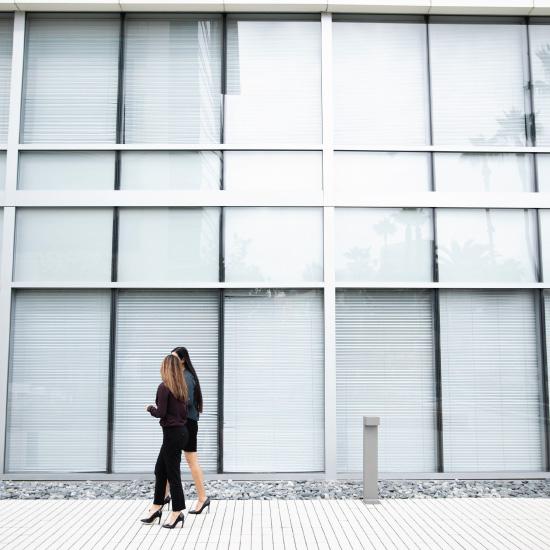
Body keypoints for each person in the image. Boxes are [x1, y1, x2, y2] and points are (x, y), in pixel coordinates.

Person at [141, 354, 189, 529]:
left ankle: (177, 512)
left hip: (172, 435)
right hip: (180, 433)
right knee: (160, 470)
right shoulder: (180, 387)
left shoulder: (164, 387)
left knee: (172, 474)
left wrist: (149, 408)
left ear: (166, 368)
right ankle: (157, 506)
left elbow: (161, 413)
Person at [165, 346, 210, 515]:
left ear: (183, 360)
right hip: (183, 423)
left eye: (175, 358)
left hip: (188, 423)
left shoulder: (187, 377)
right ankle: (165, 496)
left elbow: (188, 401)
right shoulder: (180, 376)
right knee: (170, 460)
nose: (172, 361)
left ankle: (202, 498)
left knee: (190, 461)